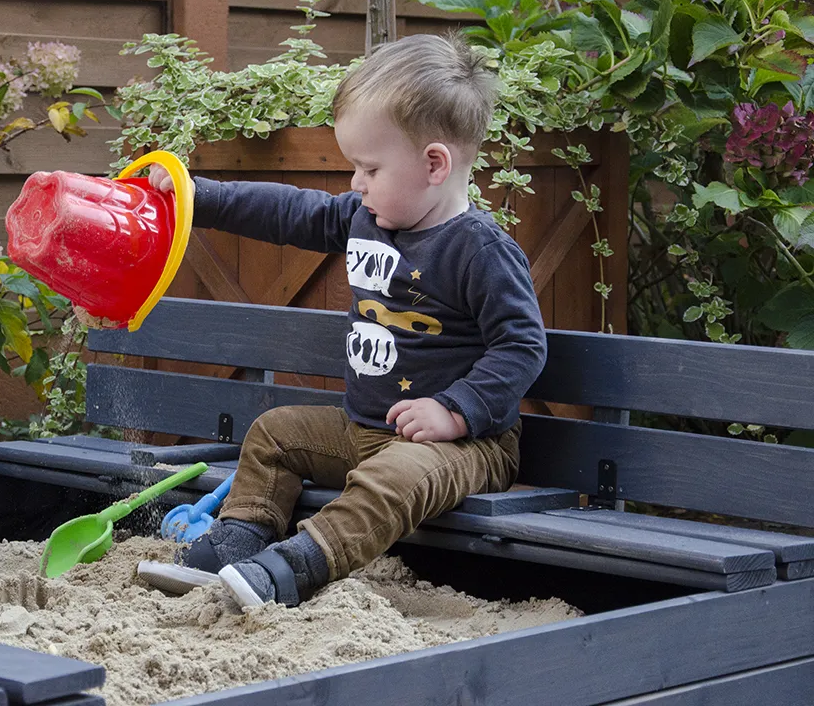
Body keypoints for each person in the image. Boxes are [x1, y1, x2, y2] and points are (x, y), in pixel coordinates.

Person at [110, 32, 546, 609]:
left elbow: (522, 345)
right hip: (363, 430)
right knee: (275, 433)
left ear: (434, 163)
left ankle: (294, 568)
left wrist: (454, 410)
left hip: (463, 449)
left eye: (369, 167)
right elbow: (291, 211)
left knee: (392, 482)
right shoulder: (366, 218)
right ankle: (238, 541)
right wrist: (200, 197)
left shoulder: (478, 250)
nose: (355, 183)